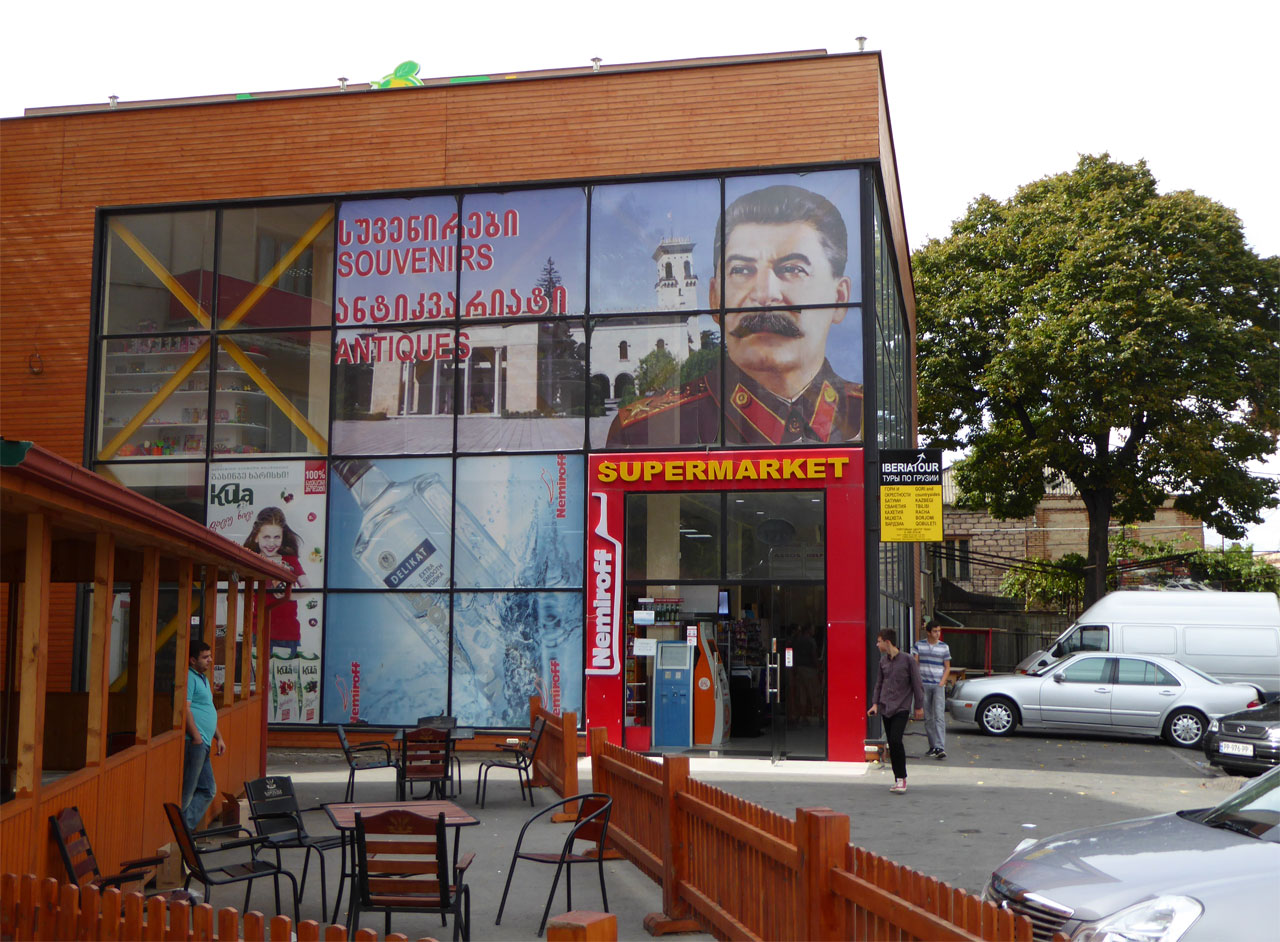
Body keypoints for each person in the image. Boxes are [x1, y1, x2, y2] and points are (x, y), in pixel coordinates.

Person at [607, 184, 863, 446]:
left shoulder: (870, 418)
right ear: (714, 298)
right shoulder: (640, 433)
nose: (764, 295)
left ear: (840, 297)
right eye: (741, 270)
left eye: (792, 269)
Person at [244, 506, 308, 656]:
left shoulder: (290, 560)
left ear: (283, 537)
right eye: (266, 537)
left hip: (288, 633)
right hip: (259, 631)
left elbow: (308, 588)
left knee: (285, 671)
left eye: (277, 537)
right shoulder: (251, 560)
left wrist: (288, 594)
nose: (271, 543)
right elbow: (240, 592)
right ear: (256, 537)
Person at [867, 627, 924, 794]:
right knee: (891, 743)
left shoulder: (908, 660)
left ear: (887, 642)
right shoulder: (883, 662)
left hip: (901, 707)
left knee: (896, 740)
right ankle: (897, 779)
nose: (877, 644)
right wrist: (875, 704)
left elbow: (917, 684)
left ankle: (902, 778)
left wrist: (919, 706)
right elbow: (879, 684)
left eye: (879, 641)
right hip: (886, 707)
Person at [182, 638, 225, 829]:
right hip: (195, 742)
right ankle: (180, 831)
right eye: (205, 657)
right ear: (193, 660)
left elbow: (208, 709)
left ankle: (183, 828)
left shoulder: (203, 679)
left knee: (208, 789)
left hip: (205, 742)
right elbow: (185, 708)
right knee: (188, 791)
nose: (210, 660)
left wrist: (219, 737)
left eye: (210, 656)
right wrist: (197, 737)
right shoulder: (188, 678)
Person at [912, 620, 952, 760]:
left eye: (939, 631)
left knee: (939, 715)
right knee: (928, 717)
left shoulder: (944, 647)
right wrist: (917, 681)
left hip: (937, 685)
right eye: (935, 631)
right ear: (928, 632)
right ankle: (932, 746)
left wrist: (942, 682)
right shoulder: (919, 645)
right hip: (924, 684)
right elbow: (915, 663)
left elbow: (947, 666)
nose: (937, 634)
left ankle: (940, 747)